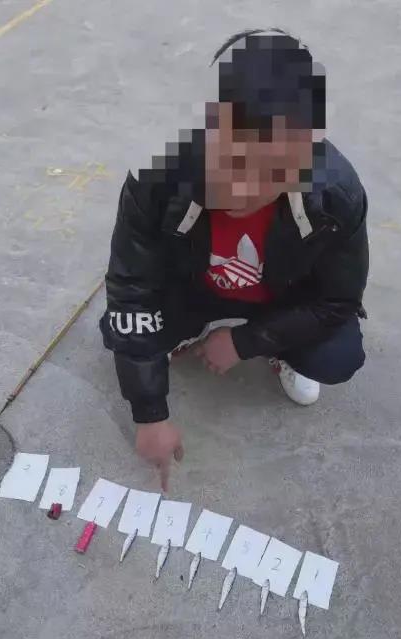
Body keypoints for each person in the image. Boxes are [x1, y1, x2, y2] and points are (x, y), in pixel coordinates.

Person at [100, 29, 369, 490]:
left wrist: (247, 341)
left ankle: (277, 351)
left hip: (280, 298)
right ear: (211, 127)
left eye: (274, 172)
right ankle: (198, 324)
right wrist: (149, 414)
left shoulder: (336, 196)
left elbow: (338, 301)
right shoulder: (156, 180)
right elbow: (131, 292)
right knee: (120, 331)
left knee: (337, 357)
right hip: (195, 287)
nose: (244, 190)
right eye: (233, 160)